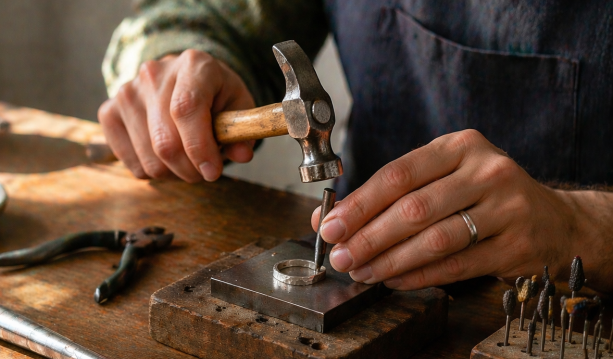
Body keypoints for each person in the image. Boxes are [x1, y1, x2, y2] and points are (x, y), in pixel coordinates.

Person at [98, 1, 613, 293]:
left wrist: (585, 225)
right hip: (362, 280)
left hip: (576, 319)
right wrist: (177, 70)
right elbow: (209, 12)